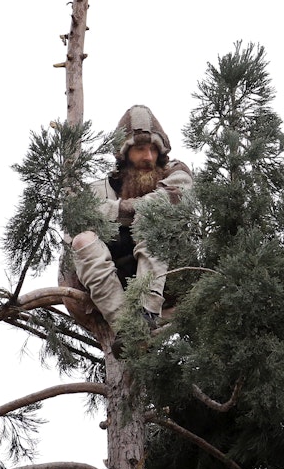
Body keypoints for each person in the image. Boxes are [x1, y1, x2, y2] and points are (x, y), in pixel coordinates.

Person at [70, 105, 193, 328]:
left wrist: (115, 211)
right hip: (116, 285)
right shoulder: (100, 189)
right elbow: (81, 216)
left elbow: (169, 201)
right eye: (140, 149)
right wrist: (122, 211)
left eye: (154, 150)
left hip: (171, 278)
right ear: (124, 154)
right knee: (82, 241)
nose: (148, 157)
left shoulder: (176, 172)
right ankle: (129, 330)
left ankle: (147, 313)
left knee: (153, 215)